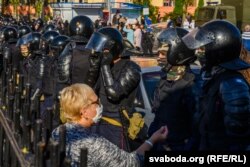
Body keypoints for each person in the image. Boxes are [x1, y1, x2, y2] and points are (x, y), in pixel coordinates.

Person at [52, 83, 168, 167]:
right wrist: (152, 140)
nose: (99, 105)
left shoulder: (57, 132)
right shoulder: (94, 143)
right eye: (96, 102)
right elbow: (130, 163)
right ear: (84, 112)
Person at [182, 20, 250, 150]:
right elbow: (202, 128)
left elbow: (240, 141)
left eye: (205, 48)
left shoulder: (233, 85)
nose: (202, 54)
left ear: (219, 50)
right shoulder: (212, 78)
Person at [85, 27, 141, 151]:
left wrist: (104, 65)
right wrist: (94, 67)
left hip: (117, 126)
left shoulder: (131, 68)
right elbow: (88, 90)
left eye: (103, 49)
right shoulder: (105, 65)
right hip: (98, 121)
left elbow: (113, 94)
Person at [148, 27, 197, 151]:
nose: (159, 57)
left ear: (178, 53)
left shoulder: (191, 85)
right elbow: (159, 116)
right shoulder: (166, 79)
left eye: (164, 53)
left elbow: (198, 129)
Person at [57, 15, 94, 92]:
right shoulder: (95, 52)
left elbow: (62, 81)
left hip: (72, 95)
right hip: (90, 95)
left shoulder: (66, 51)